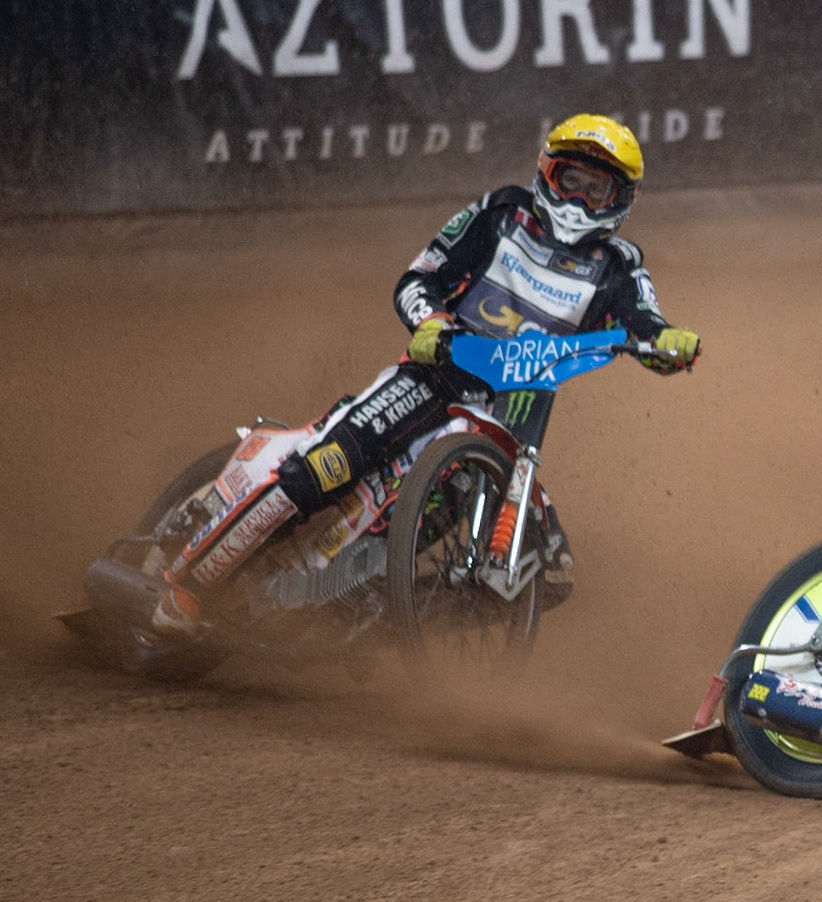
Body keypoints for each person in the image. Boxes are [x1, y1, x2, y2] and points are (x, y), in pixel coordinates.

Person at [152, 113, 700, 634]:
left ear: (620, 201)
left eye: (596, 188)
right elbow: (419, 279)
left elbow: (644, 324)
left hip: (505, 415)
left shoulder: (619, 265)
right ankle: (188, 583)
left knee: (551, 573)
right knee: (325, 469)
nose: (579, 197)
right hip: (433, 376)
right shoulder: (502, 214)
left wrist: (667, 343)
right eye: (571, 178)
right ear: (546, 172)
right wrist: (432, 321)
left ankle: (389, 616)